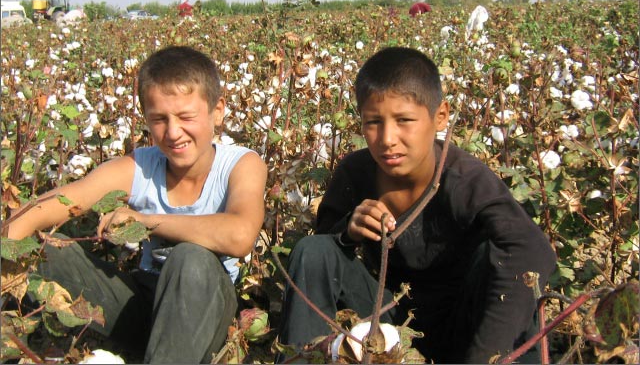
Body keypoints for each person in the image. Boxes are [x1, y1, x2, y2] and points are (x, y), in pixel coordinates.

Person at [277, 46, 557, 363]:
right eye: (373, 122)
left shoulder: (465, 179)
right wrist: (348, 232)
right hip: (389, 326)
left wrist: (485, 356)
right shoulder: (355, 173)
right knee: (314, 251)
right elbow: (326, 254)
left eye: (404, 120)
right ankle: (301, 359)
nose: (387, 138)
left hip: (467, 328)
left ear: (440, 117)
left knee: (509, 264)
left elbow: (532, 249)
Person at [8, 46, 268, 364]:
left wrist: (144, 220)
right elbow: (58, 203)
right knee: (35, 246)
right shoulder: (140, 166)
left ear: (217, 111)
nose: (173, 132)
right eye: (159, 119)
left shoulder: (241, 164)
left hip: (206, 310)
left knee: (191, 259)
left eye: (186, 117)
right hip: (144, 305)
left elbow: (240, 236)